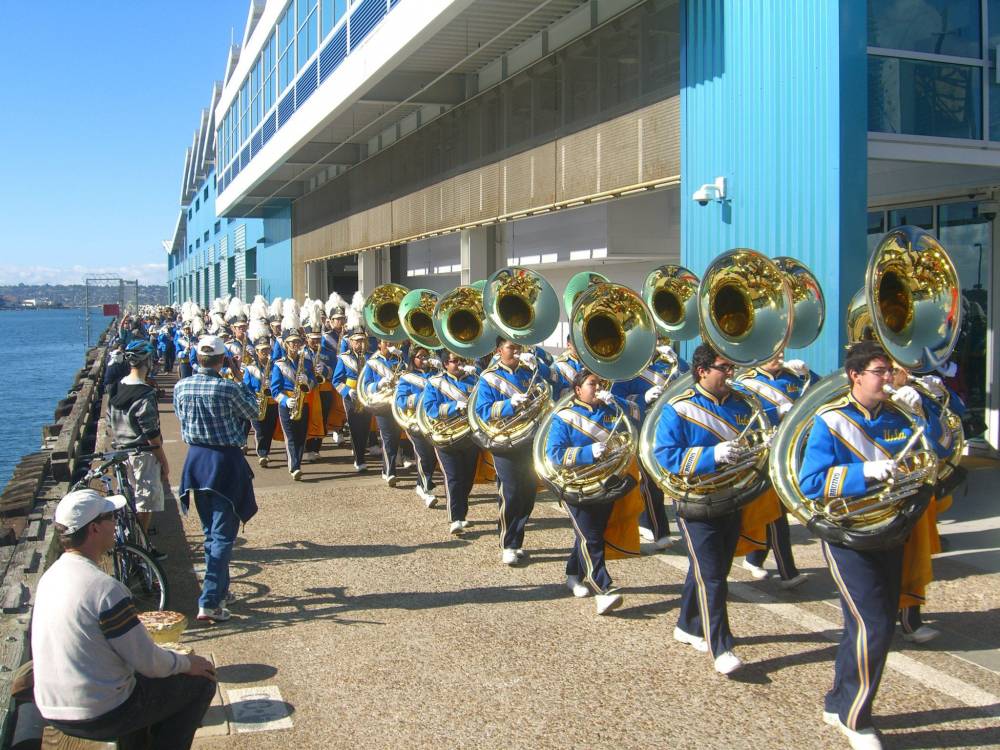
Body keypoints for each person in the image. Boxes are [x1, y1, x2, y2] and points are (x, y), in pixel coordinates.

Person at [799, 340, 948, 750]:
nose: (888, 378)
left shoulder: (901, 414)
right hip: (848, 534)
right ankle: (855, 716)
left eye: (890, 371)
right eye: (880, 371)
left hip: (892, 529)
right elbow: (811, 482)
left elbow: (940, 452)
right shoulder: (829, 420)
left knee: (864, 624)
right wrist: (863, 472)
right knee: (875, 627)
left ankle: (838, 700)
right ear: (855, 375)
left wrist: (927, 410)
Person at [32, 489, 217, 748]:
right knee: (200, 682)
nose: (115, 523)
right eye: (111, 517)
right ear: (94, 529)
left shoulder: (49, 578)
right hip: (97, 713)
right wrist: (188, 663)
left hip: (52, 707)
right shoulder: (105, 589)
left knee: (147, 688)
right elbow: (149, 663)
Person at [653, 343, 751, 675]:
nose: (729, 374)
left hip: (731, 498)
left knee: (713, 570)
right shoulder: (678, 409)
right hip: (694, 503)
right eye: (724, 368)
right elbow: (665, 456)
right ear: (702, 371)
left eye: (730, 368)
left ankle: (687, 624)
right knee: (712, 577)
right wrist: (712, 456)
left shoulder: (742, 405)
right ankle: (721, 646)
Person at [174, 334, 260, 622]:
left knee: (210, 531)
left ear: (199, 358)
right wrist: (239, 377)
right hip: (224, 462)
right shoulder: (227, 388)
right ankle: (210, 600)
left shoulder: (181, 387)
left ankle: (220, 590)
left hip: (195, 461)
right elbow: (256, 410)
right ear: (223, 359)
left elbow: (179, 417)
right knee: (223, 535)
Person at [545, 369, 642, 615]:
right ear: (578, 390)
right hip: (575, 486)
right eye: (592, 384)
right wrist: (587, 453)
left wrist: (617, 401)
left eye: (599, 383)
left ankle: (572, 574)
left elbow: (638, 417)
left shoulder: (611, 410)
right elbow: (553, 454)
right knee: (592, 537)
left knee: (591, 533)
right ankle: (603, 589)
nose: (597, 388)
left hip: (605, 484)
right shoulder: (564, 417)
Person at [736, 352, 817, 588]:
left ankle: (754, 558)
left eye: (782, 351)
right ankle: (787, 572)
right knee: (776, 514)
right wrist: (775, 413)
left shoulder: (793, 377)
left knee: (775, 511)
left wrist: (808, 374)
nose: (779, 356)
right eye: (773, 352)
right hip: (761, 453)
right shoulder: (746, 382)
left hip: (789, 451)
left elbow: (820, 395)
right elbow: (742, 415)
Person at [474, 337, 550, 565]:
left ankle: (517, 539)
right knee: (510, 491)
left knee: (528, 493)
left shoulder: (529, 372)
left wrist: (538, 363)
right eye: (511, 348)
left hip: (528, 438)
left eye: (518, 348)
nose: (516, 352)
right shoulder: (489, 378)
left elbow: (551, 384)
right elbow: (483, 411)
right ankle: (508, 543)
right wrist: (510, 404)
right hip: (504, 441)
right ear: (499, 350)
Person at [613, 338, 689, 549]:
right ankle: (659, 531)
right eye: (653, 340)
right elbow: (615, 398)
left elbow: (690, 383)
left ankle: (681, 528)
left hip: (672, 430)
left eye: (660, 339)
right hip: (643, 429)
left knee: (676, 480)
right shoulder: (629, 367)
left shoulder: (670, 364)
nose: (657, 344)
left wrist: (679, 362)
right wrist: (641, 398)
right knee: (650, 484)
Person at [108, 340, 169, 561]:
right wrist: (163, 460)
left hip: (119, 452)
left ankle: (130, 543)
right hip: (142, 453)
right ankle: (142, 549)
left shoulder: (116, 387)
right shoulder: (145, 393)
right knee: (145, 503)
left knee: (127, 499)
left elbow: (109, 420)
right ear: (147, 362)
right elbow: (151, 432)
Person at [422, 352, 480, 534]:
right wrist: (453, 407)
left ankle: (462, 514)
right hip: (446, 436)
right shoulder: (435, 383)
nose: (459, 365)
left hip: (469, 437)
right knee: (453, 477)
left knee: (468, 478)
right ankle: (455, 518)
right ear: (446, 364)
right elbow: (430, 409)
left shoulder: (475, 381)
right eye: (455, 361)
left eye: (462, 360)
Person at [269, 326, 316, 480]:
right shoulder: (279, 364)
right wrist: (285, 400)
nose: (295, 345)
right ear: (285, 345)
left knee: (301, 435)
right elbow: (275, 390)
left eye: (297, 342)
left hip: (304, 401)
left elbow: (314, 382)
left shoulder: (307, 362)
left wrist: (307, 381)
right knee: (290, 436)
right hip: (287, 403)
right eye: (291, 342)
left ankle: (298, 463)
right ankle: (294, 466)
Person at [395, 346, 439, 506]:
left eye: (426, 356)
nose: (423, 359)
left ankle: (421, 483)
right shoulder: (407, 377)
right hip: (415, 421)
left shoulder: (436, 375)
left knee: (432, 457)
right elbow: (401, 401)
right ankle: (425, 489)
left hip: (433, 422)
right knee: (423, 455)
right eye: (420, 356)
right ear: (413, 359)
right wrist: (424, 397)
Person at [361, 339, 405, 486]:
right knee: (387, 438)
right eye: (385, 342)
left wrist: (403, 360)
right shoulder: (372, 362)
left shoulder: (398, 359)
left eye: (391, 342)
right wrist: (378, 384)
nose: (389, 345)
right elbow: (366, 385)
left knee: (396, 437)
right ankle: (390, 472)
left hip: (396, 403)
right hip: (381, 404)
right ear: (379, 344)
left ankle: (386, 468)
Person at [333, 326, 372, 472]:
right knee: (355, 427)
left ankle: (361, 453)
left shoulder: (371, 356)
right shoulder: (344, 357)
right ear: (350, 342)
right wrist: (348, 392)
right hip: (351, 396)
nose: (360, 343)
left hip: (366, 395)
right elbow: (336, 381)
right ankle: (359, 459)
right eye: (357, 341)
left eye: (362, 340)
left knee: (365, 427)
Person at [243, 330, 278, 468]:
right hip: (256, 401)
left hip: (272, 401)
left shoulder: (275, 366)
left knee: (269, 429)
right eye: (262, 350)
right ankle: (262, 454)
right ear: (257, 351)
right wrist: (252, 398)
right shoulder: (250, 367)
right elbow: (246, 387)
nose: (265, 352)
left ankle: (266, 451)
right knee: (260, 429)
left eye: (267, 349)